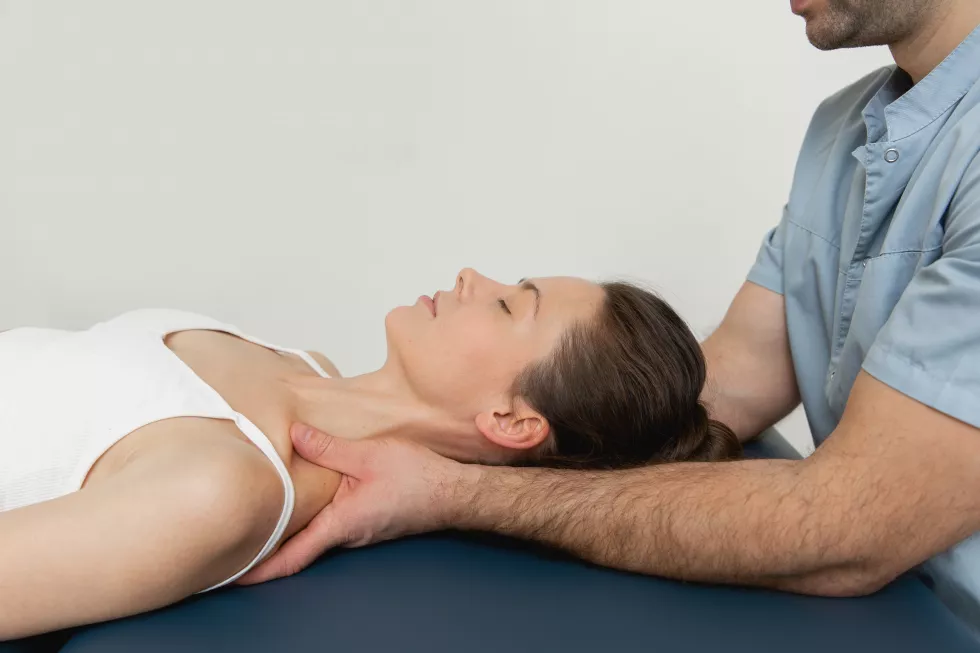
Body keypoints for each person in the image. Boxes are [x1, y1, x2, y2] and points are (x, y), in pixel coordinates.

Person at [247, 0, 980, 638]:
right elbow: (718, 385)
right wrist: (408, 417)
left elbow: (847, 529)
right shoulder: (842, 133)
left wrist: (448, 491)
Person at [0, 271, 738, 640]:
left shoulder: (228, 487)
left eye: (512, 303)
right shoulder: (300, 361)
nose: (473, 277)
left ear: (510, 419)